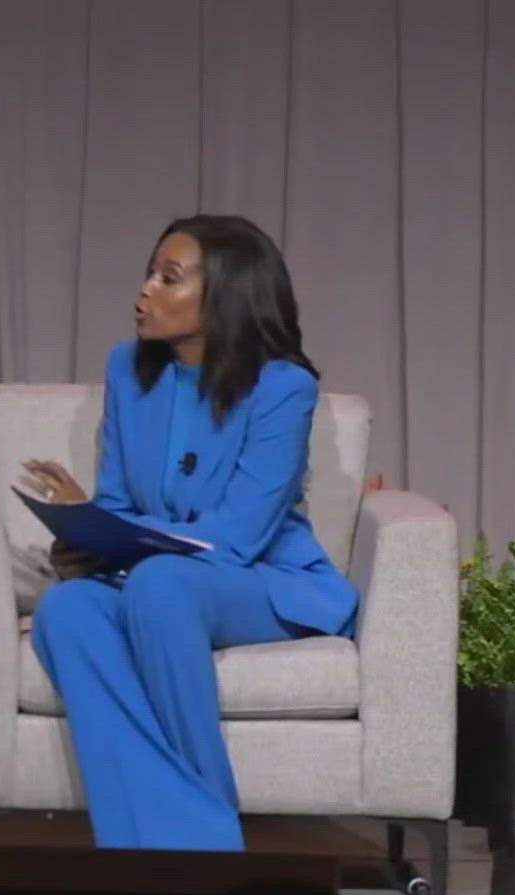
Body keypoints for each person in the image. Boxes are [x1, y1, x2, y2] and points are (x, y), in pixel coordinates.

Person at [21, 215, 357, 852]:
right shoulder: (129, 369)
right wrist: (88, 539)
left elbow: (236, 538)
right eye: (149, 272)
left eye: (167, 277)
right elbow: (119, 501)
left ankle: (206, 848)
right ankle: (154, 845)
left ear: (225, 293)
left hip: (260, 581)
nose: (143, 291)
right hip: (156, 572)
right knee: (66, 610)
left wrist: (117, 532)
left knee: (163, 586)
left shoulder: (284, 387)